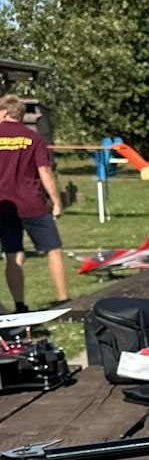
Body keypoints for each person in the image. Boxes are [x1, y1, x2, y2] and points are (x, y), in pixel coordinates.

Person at [0, 94, 66, 313]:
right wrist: (55, 201)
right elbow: (44, 171)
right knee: (53, 250)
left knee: (13, 254)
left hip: (4, 205)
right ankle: (63, 299)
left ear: (5, 112)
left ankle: (20, 305)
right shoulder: (33, 138)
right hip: (33, 204)